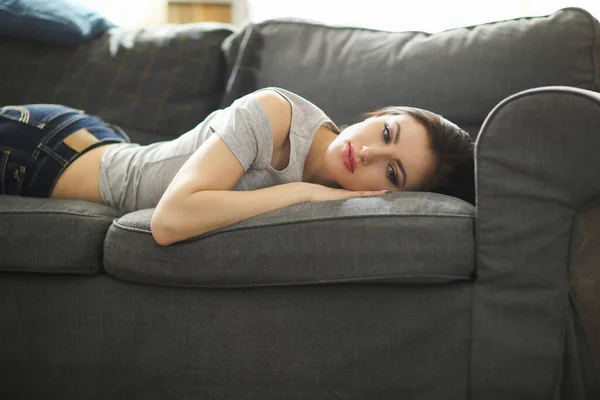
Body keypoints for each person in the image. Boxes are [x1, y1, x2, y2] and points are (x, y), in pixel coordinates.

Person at [0, 87, 474, 246]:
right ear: (378, 116)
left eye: (392, 173)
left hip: (105, 147)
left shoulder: (348, 201)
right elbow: (168, 222)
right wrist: (302, 194)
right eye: (386, 133)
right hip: (44, 152)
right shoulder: (274, 112)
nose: (369, 153)